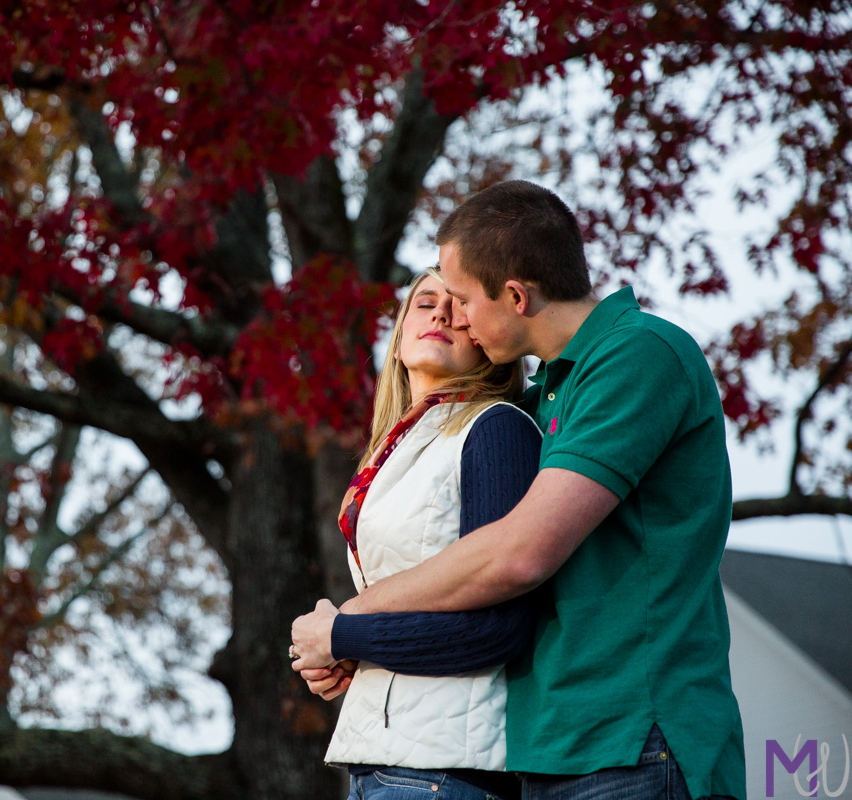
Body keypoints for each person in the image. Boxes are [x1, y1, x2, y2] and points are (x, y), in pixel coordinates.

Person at [291, 180, 745, 800]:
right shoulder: (540, 400)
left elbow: (518, 552)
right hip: (545, 745)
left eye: (461, 299)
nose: (456, 317)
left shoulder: (640, 354)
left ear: (514, 296)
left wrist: (349, 622)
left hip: (638, 735)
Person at [297, 268, 543, 800]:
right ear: (400, 333)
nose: (441, 314)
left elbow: (498, 630)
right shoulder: (395, 450)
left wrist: (341, 636)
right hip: (380, 761)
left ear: (486, 336)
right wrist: (345, 656)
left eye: (458, 305)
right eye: (425, 302)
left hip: (445, 768)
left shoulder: (496, 428)